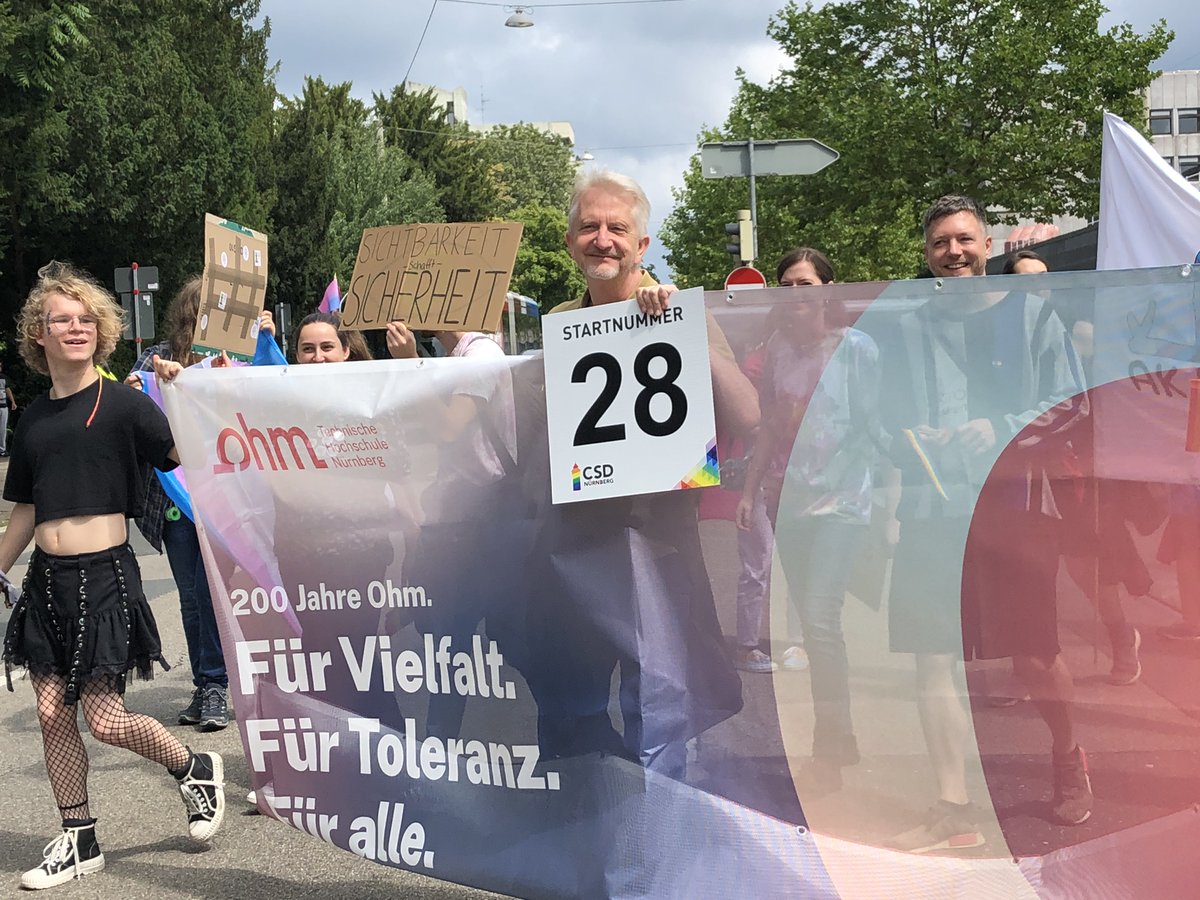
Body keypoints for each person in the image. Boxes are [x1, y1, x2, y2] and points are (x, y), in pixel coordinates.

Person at [0, 262, 224, 890]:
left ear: (101, 332)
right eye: (59, 320)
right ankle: (79, 838)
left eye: (84, 320)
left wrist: (185, 392)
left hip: (107, 579)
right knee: (51, 714)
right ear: (38, 336)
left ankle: (193, 766)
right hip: (47, 582)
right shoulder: (34, 419)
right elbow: (24, 508)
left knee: (103, 718)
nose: (73, 328)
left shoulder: (126, 404)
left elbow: (188, 454)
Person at [526, 169, 756, 778]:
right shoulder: (559, 321)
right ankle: (587, 829)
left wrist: (685, 329)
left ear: (642, 245)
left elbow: (749, 413)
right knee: (573, 699)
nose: (602, 239)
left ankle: (661, 834)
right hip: (575, 539)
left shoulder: (676, 310)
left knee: (657, 698)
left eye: (617, 228)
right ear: (571, 240)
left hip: (657, 542)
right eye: (589, 226)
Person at [882, 196, 1090, 852]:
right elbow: (884, 416)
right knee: (931, 659)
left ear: (988, 243)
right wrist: (906, 439)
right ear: (926, 252)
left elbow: (1072, 401)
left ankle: (1069, 755)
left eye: (964, 240)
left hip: (1016, 509)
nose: (954, 252)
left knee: (1035, 654)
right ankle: (951, 802)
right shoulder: (905, 327)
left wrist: (996, 431)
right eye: (941, 242)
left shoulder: (1030, 317)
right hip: (929, 510)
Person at [735, 247, 881, 794]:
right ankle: (831, 740)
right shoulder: (775, 352)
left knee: (819, 621)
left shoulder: (857, 349)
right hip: (789, 503)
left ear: (826, 288)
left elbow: (875, 423)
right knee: (813, 624)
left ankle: (832, 747)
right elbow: (769, 425)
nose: (794, 295)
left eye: (803, 284)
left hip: (842, 505)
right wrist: (750, 492)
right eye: (785, 286)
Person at [125, 277, 229, 730]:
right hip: (176, 501)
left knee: (219, 595)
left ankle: (219, 683)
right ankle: (208, 685)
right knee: (192, 596)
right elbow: (133, 410)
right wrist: (137, 385)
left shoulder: (234, 361)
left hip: (227, 499)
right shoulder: (157, 358)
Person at [0, 359, 17, 456]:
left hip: (3, 406)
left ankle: (2, 449)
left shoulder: (3, 378)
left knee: (2, 428)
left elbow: (7, 390)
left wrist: (13, 402)